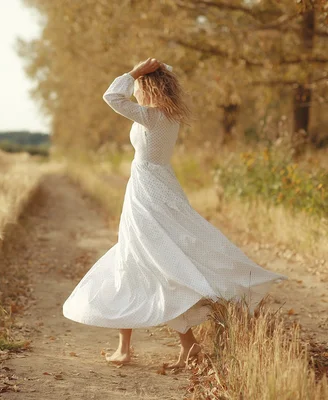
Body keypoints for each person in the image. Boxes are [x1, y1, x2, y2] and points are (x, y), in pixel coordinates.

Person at [62, 57, 287, 368]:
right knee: (143, 260)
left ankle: (154, 347)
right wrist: (153, 73)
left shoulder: (150, 117)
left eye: (140, 86)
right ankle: (155, 346)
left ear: (147, 86)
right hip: (159, 186)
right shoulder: (169, 117)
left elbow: (111, 97)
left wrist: (133, 71)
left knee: (141, 261)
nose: (136, 90)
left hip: (147, 193)